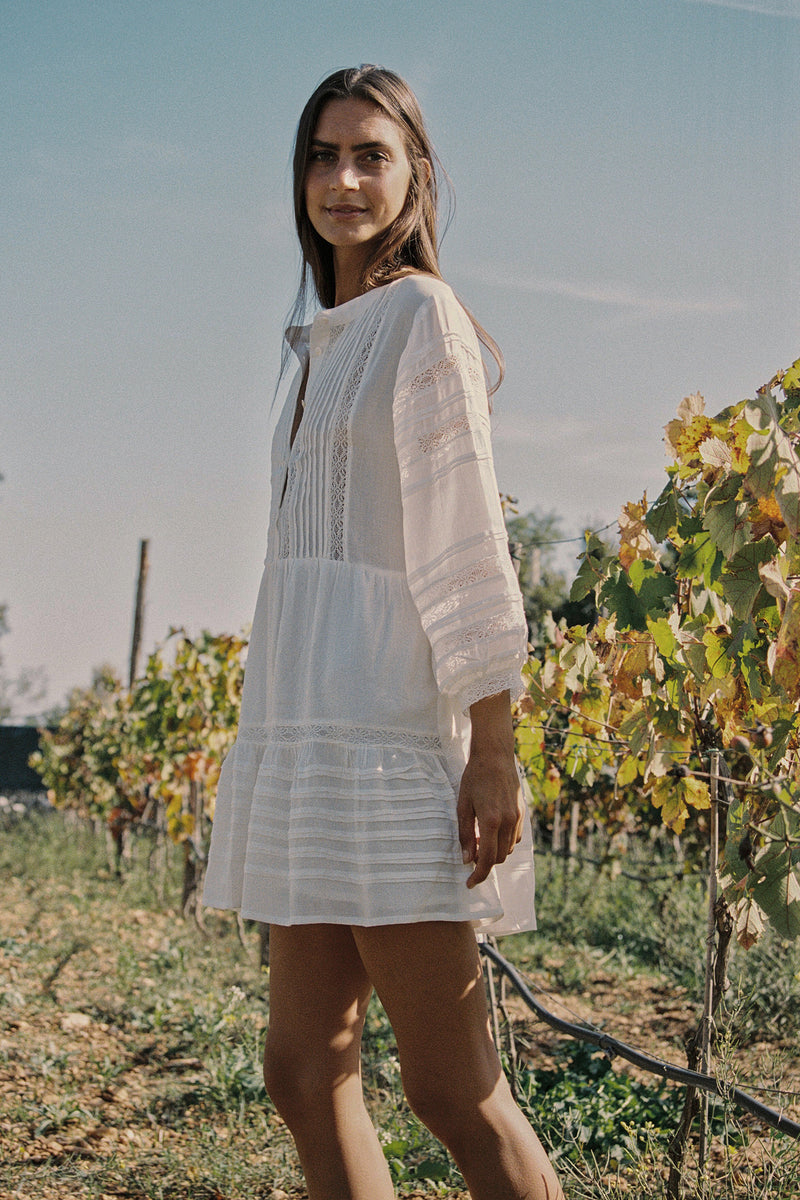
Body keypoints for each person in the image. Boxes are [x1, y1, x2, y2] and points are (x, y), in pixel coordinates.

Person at [203, 65, 564, 1200]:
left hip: (383, 737)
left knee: (452, 1092)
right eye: (322, 155)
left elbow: (465, 541)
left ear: (415, 178)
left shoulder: (421, 317)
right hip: (305, 730)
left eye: (370, 155)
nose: (342, 179)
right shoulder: (313, 341)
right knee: (303, 1071)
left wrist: (492, 743)